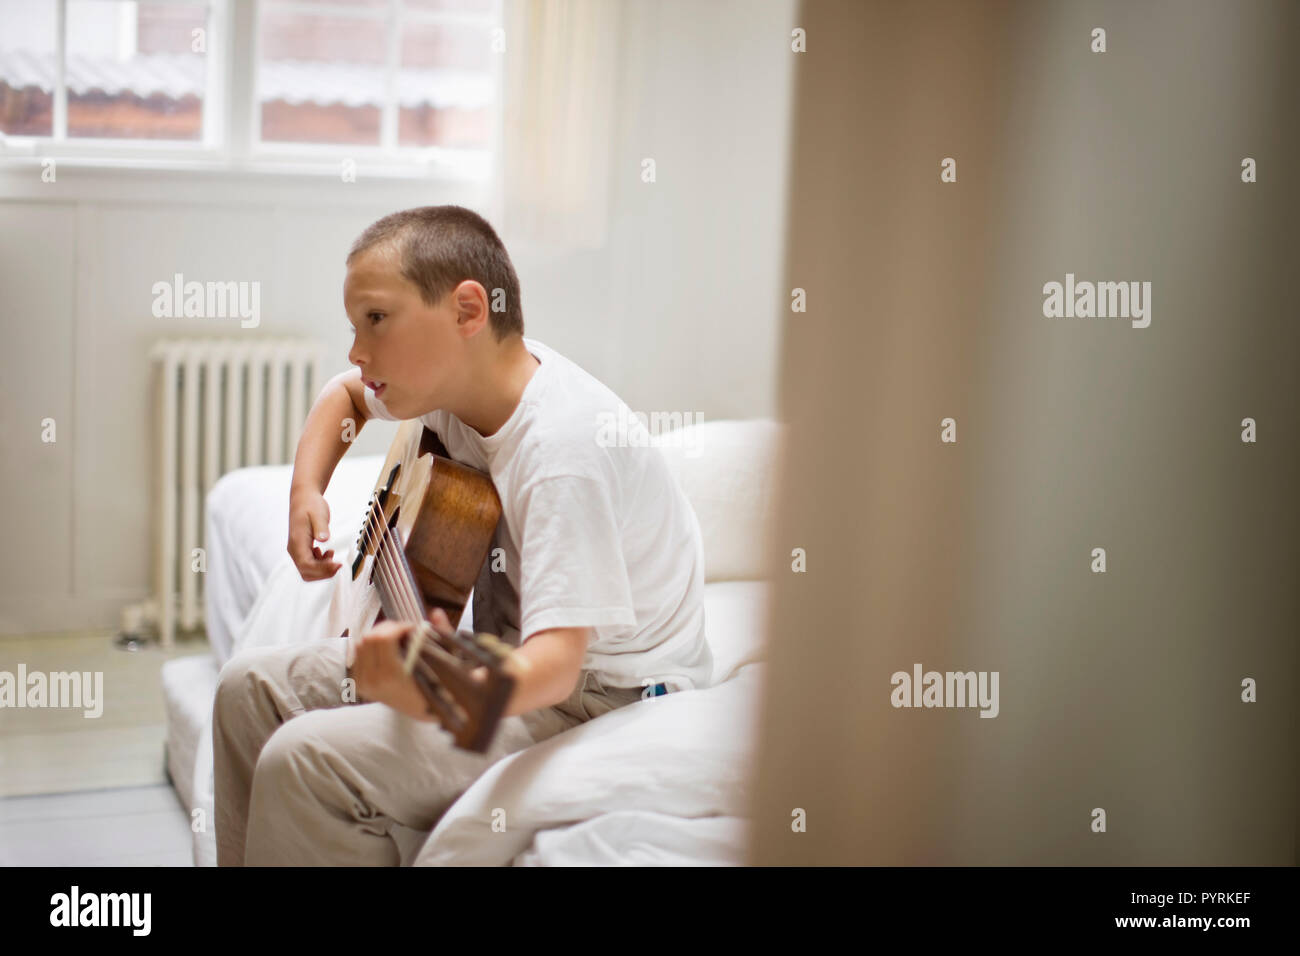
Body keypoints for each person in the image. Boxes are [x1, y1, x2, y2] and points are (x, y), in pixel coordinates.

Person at [212, 205, 712, 866]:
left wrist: (430, 692)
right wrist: (306, 491)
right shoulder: (457, 380)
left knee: (305, 760)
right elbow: (347, 395)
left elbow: (558, 667)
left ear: (467, 311)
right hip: (507, 652)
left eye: (377, 320)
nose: (358, 351)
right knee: (245, 690)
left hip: (599, 694)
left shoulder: (564, 453)